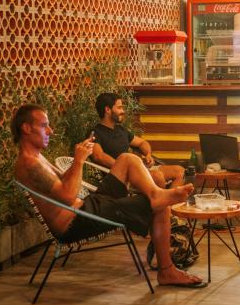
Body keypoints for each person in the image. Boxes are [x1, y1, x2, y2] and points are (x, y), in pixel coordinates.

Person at [12, 104, 206, 288]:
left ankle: (156, 194)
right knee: (161, 207)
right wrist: (79, 161)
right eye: (44, 125)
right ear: (27, 128)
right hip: (77, 221)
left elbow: (64, 181)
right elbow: (68, 196)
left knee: (127, 159)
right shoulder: (29, 164)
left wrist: (80, 157)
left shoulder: (37, 157)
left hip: (87, 207)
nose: (50, 131)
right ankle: (167, 271)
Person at [91, 93, 185, 188]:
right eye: (119, 108)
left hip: (138, 169)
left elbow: (142, 142)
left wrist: (148, 155)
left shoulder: (121, 130)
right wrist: (124, 166)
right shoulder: (95, 133)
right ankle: (163, 200)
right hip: (122, 176)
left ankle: (169, 201)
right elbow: (98, 156)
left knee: (180, 171)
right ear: (107, 110)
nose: (123, 111)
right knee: (158, 177)